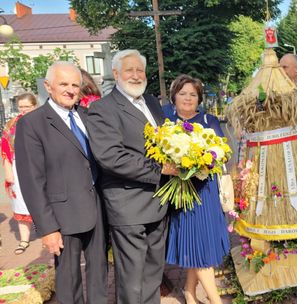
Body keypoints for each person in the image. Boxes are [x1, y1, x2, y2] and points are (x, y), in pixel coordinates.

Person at [86, 49, 176, 304]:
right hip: (129, 207)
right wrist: (161, 169)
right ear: (116, 74)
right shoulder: (102, 109)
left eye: (140, 70)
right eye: (129, 70)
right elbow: (111, 157)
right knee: (131, 280)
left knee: (153, 273)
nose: (136, 75)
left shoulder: (152, 102)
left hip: (159, 202)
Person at [15, 61, 108, 303]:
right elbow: (31, 181)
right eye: (63, 84)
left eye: (75, 85)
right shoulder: (32, 123)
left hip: (96, 209)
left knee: (99, 273)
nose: (70, 90)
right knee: (68, 281)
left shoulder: (86, 117)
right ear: (48, 86)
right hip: (63, 215)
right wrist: (48, 228)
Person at [165, 75, 230, 304]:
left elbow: (222, 152)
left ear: (199, 98)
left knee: (202, 245)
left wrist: (207, 159)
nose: (187, 98)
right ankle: (215, 300)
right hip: (182, 193)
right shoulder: (165, 120)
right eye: (183, 93)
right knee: (198, 247)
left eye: (193, 94)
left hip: (206, 191)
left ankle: (189, 291)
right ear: (174, 96)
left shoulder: (209, 120)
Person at [1, 93, 37, 255]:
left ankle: (49, 235)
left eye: (26, 107)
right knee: (20, 203)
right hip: (18, 167)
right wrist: (8, 171)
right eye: (21, 107)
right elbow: (5, 149)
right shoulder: (11, 124)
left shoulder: (42, 122)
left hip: (39, 167)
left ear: (34, 106)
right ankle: (24, 239)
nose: (23, 110)